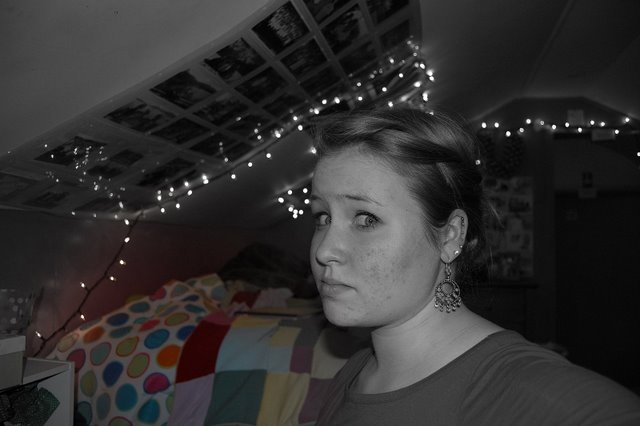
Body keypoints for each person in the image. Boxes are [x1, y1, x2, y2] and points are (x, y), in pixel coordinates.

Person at [308, 107, 640, 425]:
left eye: (366, 219)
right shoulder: (351, 375)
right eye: (323, 217)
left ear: (450, 236)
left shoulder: (519, 390)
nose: (323, 250)